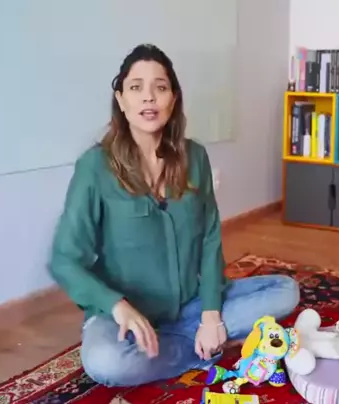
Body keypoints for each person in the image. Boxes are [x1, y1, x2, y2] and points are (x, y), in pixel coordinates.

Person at [48, 43, 300, 387]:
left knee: (286, 291)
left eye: (160, 87)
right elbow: (64, 260)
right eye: (136, 87)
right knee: (105, 362)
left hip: (190, 304)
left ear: (174, 98)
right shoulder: (94, 168)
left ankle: (194, 337)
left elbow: (210, 238)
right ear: (121, 100)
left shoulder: (195, 157)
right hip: (124, 317)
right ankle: (204, 348)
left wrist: (210, 314)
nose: (148, 97)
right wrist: (117, 305)